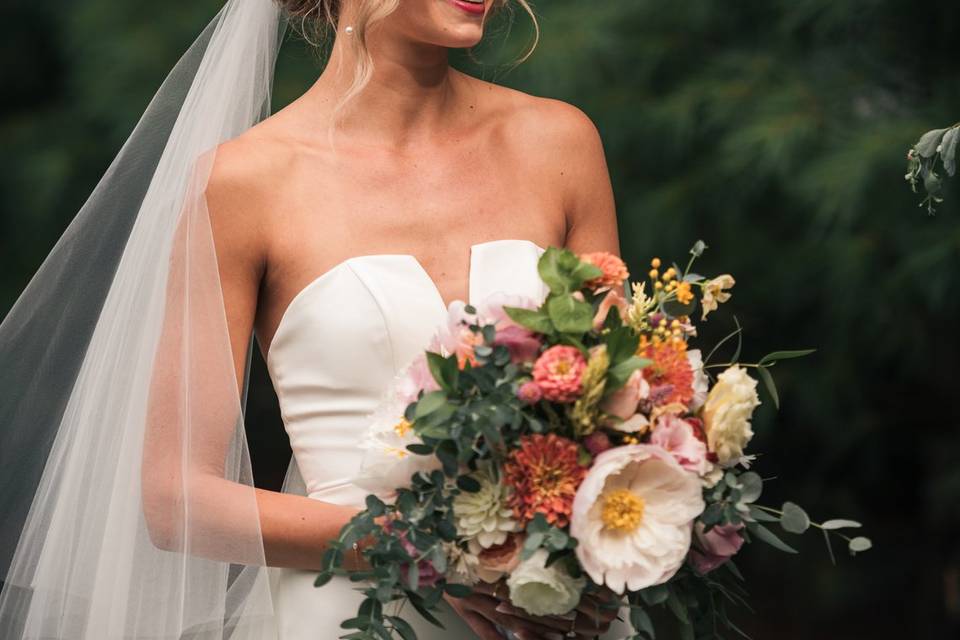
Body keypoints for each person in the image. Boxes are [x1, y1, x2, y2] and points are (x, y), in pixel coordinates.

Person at [0, 1, 625, 638]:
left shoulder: (559, 143)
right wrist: (437, 552)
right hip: (352, 614)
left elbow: (626, 400)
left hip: (559, 609)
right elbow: (177, 498)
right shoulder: (245, 182)